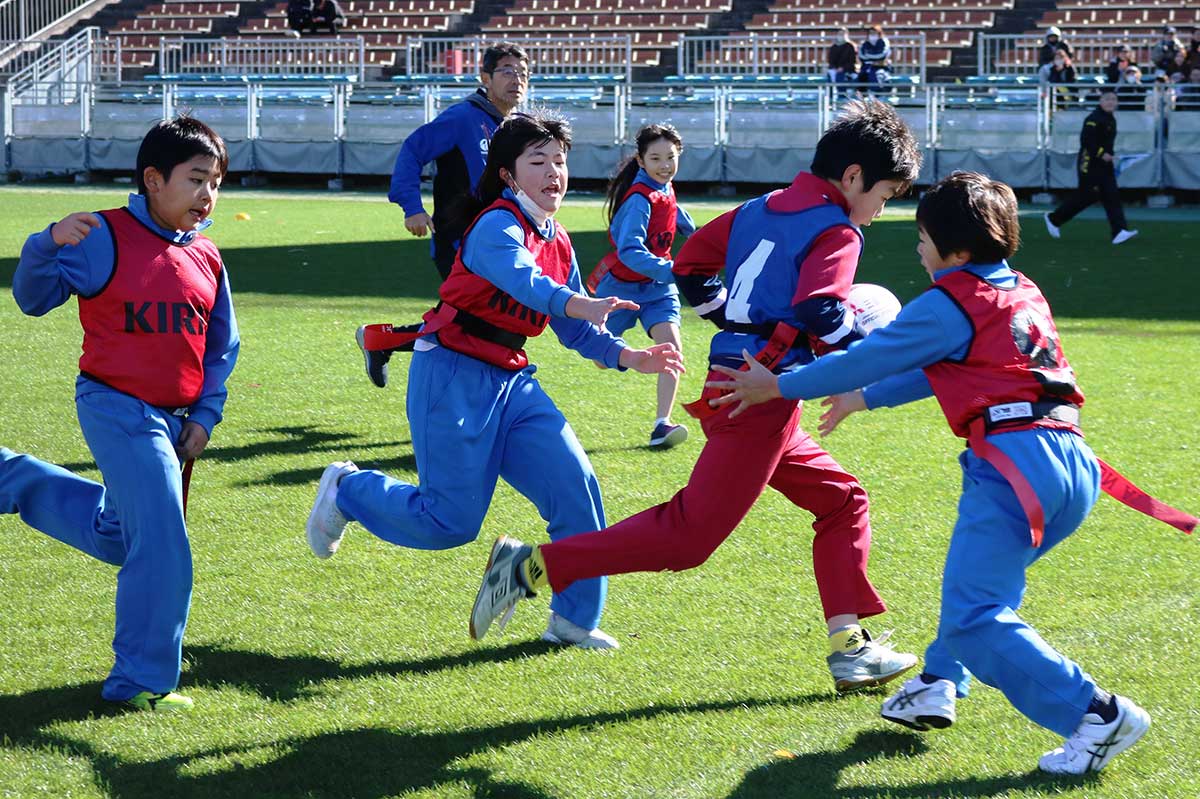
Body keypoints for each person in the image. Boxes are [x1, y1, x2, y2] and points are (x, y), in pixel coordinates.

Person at [700, 170, 1190, 775]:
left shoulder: (947, 301)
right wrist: (865, 398)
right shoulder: (1020, 289)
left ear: (956, 249)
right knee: (974, 594)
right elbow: (942, 368)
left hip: (1013, 467)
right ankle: (936, 683)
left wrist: (781, 383)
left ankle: (1095, 713)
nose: (917, 245)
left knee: (977, 614)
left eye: (924, 235)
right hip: (1068, 462)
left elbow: (870, 355)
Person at [469, 100, 924, 693]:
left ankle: (848, 647)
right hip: (756, 394)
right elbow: (821, 309)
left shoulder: (762, 205)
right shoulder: (838, 228)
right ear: (854, 177)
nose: (880, 211)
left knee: (842, 502)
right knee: (688, 538)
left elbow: (689, 265)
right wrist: (872, 348)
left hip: (745, 380)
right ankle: (530, 567)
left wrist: (731, 319)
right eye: (885, 195)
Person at [306, 111, 684, 651]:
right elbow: (528, 283)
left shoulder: (558, 240)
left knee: (577, 490)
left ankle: (573, 621)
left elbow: (575, 332)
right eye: (539, 161)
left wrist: (630, 357)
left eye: (560, 160)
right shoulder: (495, 225)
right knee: (448, 523)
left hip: (513, 383)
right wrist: (580, 302)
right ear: (507, 174)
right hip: (451, 373)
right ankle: (347, 489)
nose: (555, 171)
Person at [2, 117, 238, 711]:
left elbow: (221, 347)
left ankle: (12, 477)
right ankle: (140, 680)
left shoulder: (208, 256)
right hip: (114, 405)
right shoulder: (102, 234)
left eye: (216, 182)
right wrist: (46, 242)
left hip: (175, 420)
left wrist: (205, 416)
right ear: (153, 179)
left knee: (121, 537)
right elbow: (33, 299)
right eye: (195, 179)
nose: (208, 195)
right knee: (162, 542)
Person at [588, 123, 696, 448]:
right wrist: (673, 270)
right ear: (641, 160)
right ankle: (634, 357)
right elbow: (630, 251)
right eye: (656, 158)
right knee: (598, 357)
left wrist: (705, 238)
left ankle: (662, 425)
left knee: (672, 348)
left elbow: (676, 216)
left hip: (659, 290)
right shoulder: (638, 199)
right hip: (620, 289)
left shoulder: (665, 188)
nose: (665, 165)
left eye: (671, 157)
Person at [387, 42, 529, 284]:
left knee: (476, 320)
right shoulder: (462, 117)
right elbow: (412, 150)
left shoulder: (518, 127)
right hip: (460, 242)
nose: (517, 79)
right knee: (472, 318)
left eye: (522, 73)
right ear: (485, 78)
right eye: (507, 71)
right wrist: (412, 208)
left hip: (501, 239)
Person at [1045, 90, 1139, 246]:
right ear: (1101, 101)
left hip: (1104, 164)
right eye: (1107, 99)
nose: (1110, 102)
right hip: (1089, 163)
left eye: (1113, 99)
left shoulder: (1110, 118)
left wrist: (1109, 156)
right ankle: (1054, 218)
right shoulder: (1094, 119)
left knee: (1111, 195)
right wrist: (1102, 154)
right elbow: (1087, 141)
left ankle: (1119, 231)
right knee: (1086, 196)